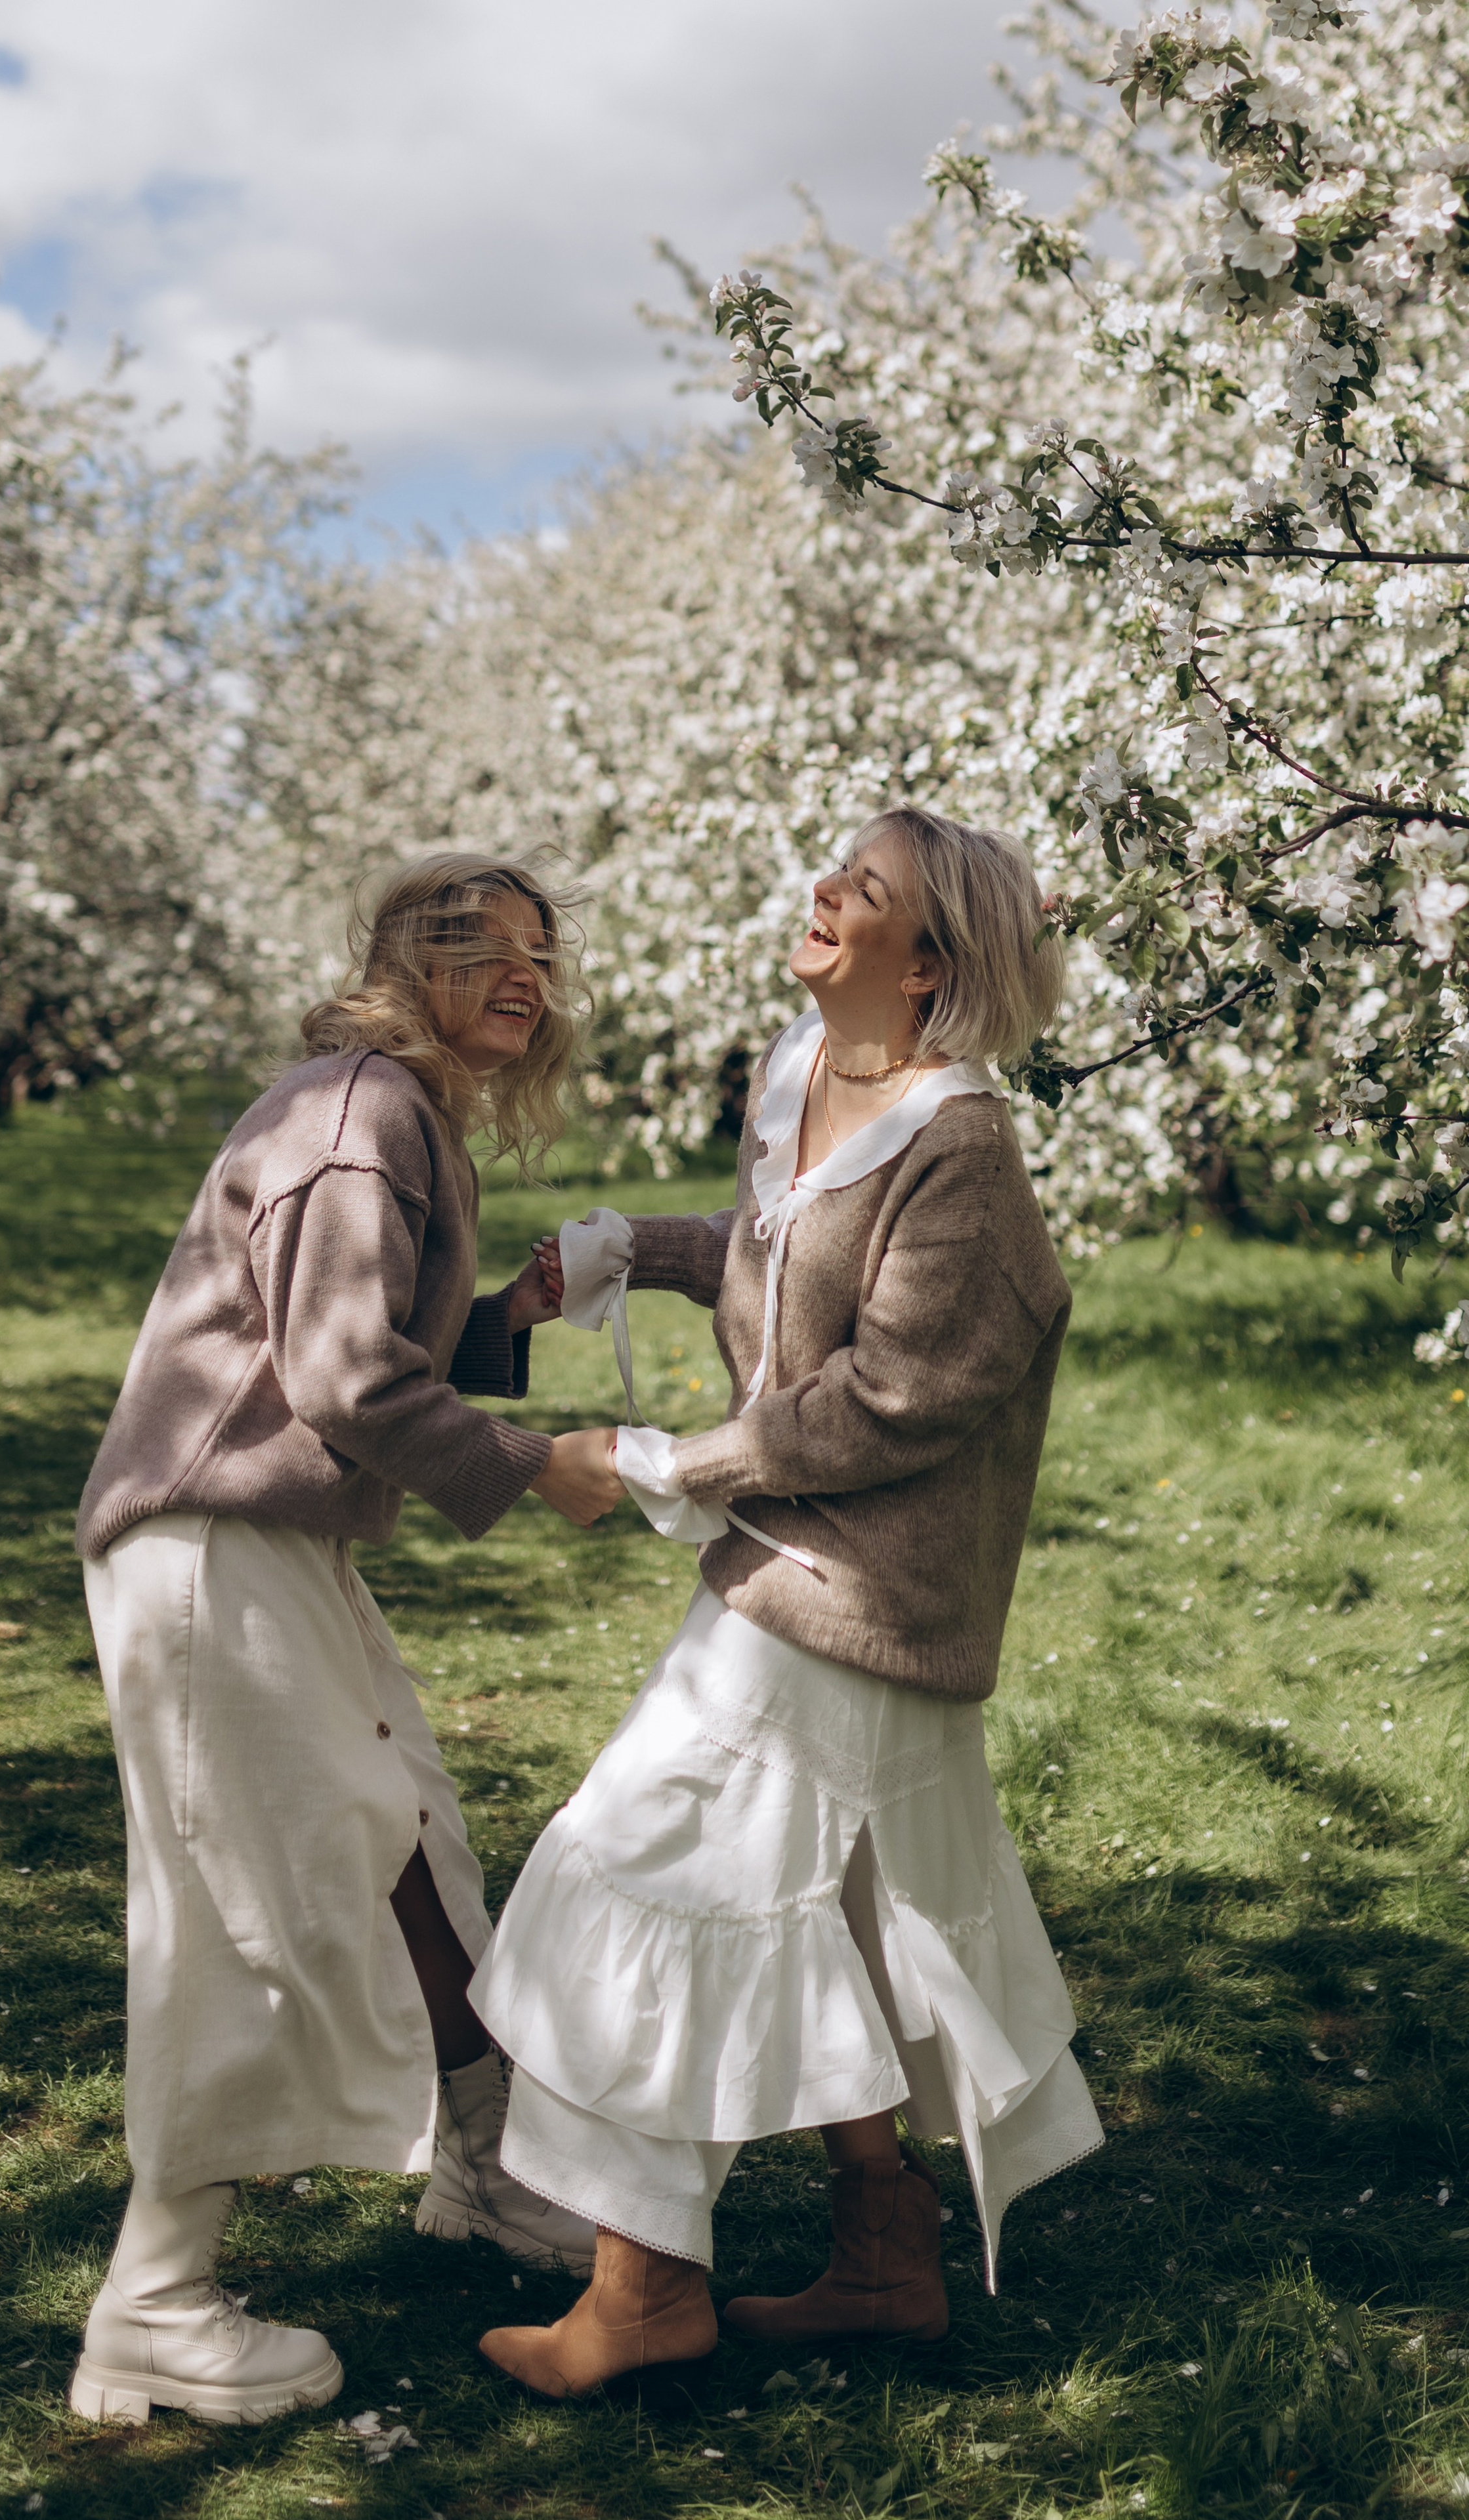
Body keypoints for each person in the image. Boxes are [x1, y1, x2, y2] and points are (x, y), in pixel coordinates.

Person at [469, 805, 1105, 2400]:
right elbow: (776, 1267)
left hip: (864, 1594)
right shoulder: (800, 1075)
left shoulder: (959, 1151)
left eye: (861, 893)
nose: (819, 896)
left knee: (638, 1862)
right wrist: (635, 1249)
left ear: (931, 959)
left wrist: (666, 1463)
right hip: (790, 1569)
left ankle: (642, 2287)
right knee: (827, 1914)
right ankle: (882, 2255)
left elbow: (888, 1396)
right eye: (831, 876)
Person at [68, 854, 622, 2426]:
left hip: (270, 1541)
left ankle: (491, 2170)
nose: (523, 977)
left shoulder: (391, 1115)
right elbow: (339, 1377)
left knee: (403, 1843)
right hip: (209, 1542)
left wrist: (502, 1319)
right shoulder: (358, 1108)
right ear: (403, 965)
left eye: (538, 955)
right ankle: (155, 2303)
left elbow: (363, 1333)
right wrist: (537, 1466)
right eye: (482, 949)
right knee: (250, 1892)